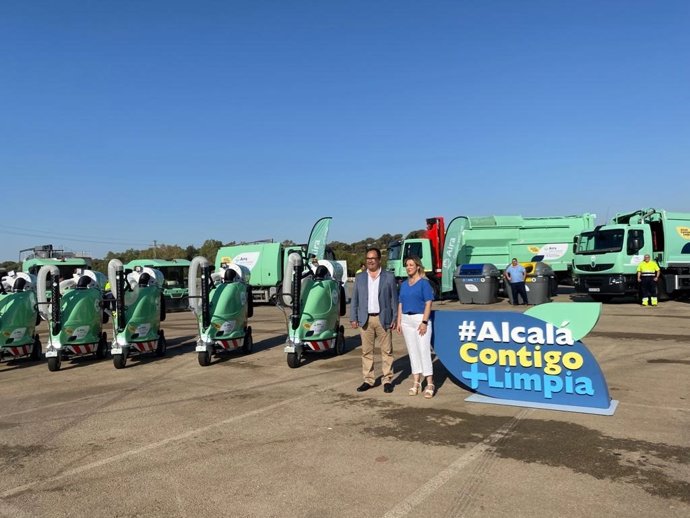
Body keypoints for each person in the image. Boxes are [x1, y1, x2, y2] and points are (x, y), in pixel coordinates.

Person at [350, 248, 399, 393]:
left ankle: (387, 379)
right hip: (365, 319)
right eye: (368, 258)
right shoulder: (360, 278)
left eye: (373, 258)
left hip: (383, 318)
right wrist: (353, 317)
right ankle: (368, 380)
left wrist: (395, 317)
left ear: (379, 259)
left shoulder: (388, 277)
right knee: (366, 352)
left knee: (387, 351)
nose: (370, 261)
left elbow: (393, 300)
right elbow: (355, 300)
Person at [396, 256, 435, 398]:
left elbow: (428, 303)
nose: (408, 267)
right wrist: (399, 321)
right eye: (407, 265)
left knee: (424, 350)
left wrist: (424, 322)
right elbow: (400, 303)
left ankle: (430, 382)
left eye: (411, 265)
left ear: (418, 266)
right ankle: (416, 381)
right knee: (412, 352)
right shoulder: (404, 284)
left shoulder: (424, 284)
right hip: (407, 320)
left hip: (420, 319)